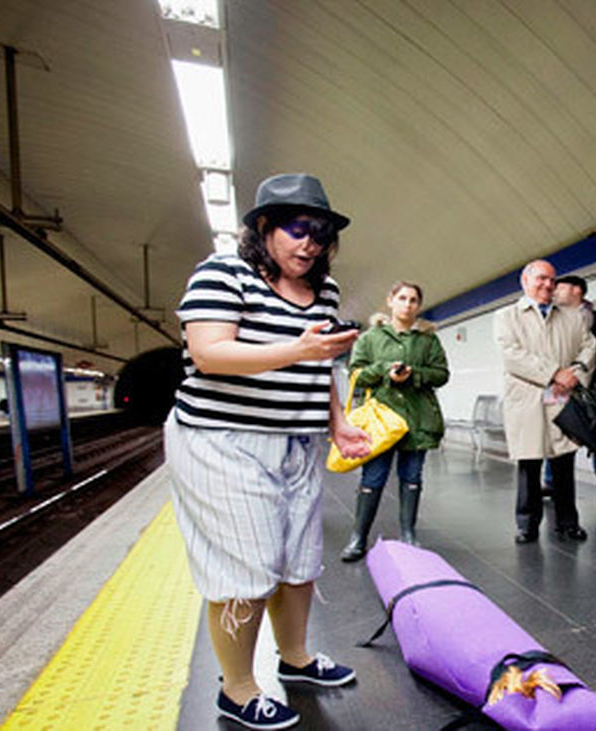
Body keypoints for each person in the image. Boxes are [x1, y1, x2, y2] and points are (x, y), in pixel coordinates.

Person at [165, 173, 366, 729]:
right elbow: (209, 353)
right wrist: (297, 347)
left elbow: (321, 366)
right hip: (222, 441)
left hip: (297, 441)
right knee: (245, 568)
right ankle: (237, 687)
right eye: (298, 229)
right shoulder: (222, 273)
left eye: (321, 232)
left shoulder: (324, 291)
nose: (310, 243)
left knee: (299, 563)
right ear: (263, 228)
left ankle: (296, 658)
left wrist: (339, 422)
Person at [340, 280, 449, 558]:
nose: (407, 304)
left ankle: (409, 535)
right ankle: (358, 537)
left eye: (413, 300)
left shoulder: (428, 339)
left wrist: (416, 374)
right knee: (373, 477)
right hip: (380, 419)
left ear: (419, 306)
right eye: (402, 298)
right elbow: (356, 374)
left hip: (418, 420)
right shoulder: (370, 338)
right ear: (390, 301)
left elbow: (442, 374)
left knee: (412, 476)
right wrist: (385, 370)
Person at [494, 260, 596, 543]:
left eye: (552, 280)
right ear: (525, 281)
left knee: (564, 462)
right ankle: (527, 525)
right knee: (529, 464)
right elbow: (511, 355)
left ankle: (568, 523)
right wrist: (554, 373)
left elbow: (589, 346)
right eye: (541, 279)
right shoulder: (506, 316)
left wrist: (575, 374)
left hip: (562, 398)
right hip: (527, 399)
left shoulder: (572, 316)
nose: (548, 285)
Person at [543, 275, 596, 504]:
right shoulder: (549, 317)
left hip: (591, 385)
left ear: (577, 290)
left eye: (560, 287)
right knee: (556, 433)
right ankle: (550, 482)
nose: (555, 291)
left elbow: (595, 350)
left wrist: (576, 372)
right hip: (556, 385)